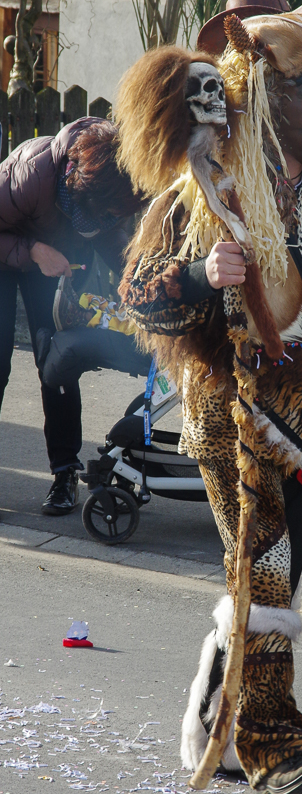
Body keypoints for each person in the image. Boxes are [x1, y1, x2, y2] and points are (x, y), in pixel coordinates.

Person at [116, 9, 302, 794]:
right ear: (264, 97)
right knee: (268, 577)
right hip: (233, 420)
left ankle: (216, 720)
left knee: (277, 579)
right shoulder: (204, 192)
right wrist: (204, 275)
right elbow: (139, 296)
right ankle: (273, 749)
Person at [0, 118, 145, 515]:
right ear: (77, 187)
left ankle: (64, 472)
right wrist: (33, 250)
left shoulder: (111, 182)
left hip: (57, 264)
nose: (102, 223)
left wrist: (141, 287)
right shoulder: (31, 175)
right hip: (8, 248)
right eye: (98, 215)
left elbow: (114, 245)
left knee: (58, 359)